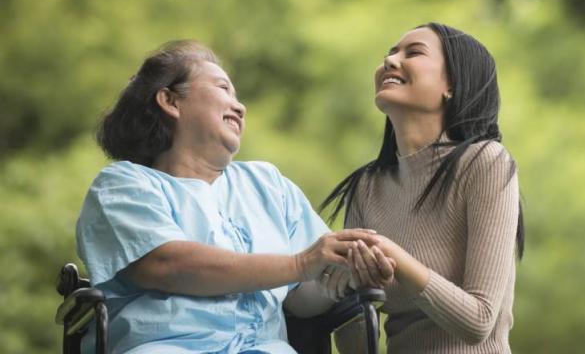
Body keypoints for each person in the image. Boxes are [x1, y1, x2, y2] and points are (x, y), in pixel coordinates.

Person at [75, 40, 382, 354]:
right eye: (223, 88)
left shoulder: (268, 184)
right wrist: (302, 263)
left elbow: (302, 300)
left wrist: (342, 274)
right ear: (170, 100)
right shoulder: (124, 184)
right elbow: (165, 264)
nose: (240, 107)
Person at [323, 22, 524, 353]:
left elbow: (478, 322)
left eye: (413, 52)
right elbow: (354, 320)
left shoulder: (486, 163)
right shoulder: (367, 187)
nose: (390, 61)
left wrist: (394, 256)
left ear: (452, 85)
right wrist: (355, 284)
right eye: (389, 53)